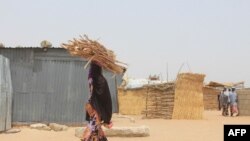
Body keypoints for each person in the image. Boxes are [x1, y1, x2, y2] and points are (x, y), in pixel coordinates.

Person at [81, 61, 113, 141]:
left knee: (94, 128)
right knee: (94, 128)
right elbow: (106, 98)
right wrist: (107, 116)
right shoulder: (101, 80)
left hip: (90, 107)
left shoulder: (91, 78)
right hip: (96, 109)